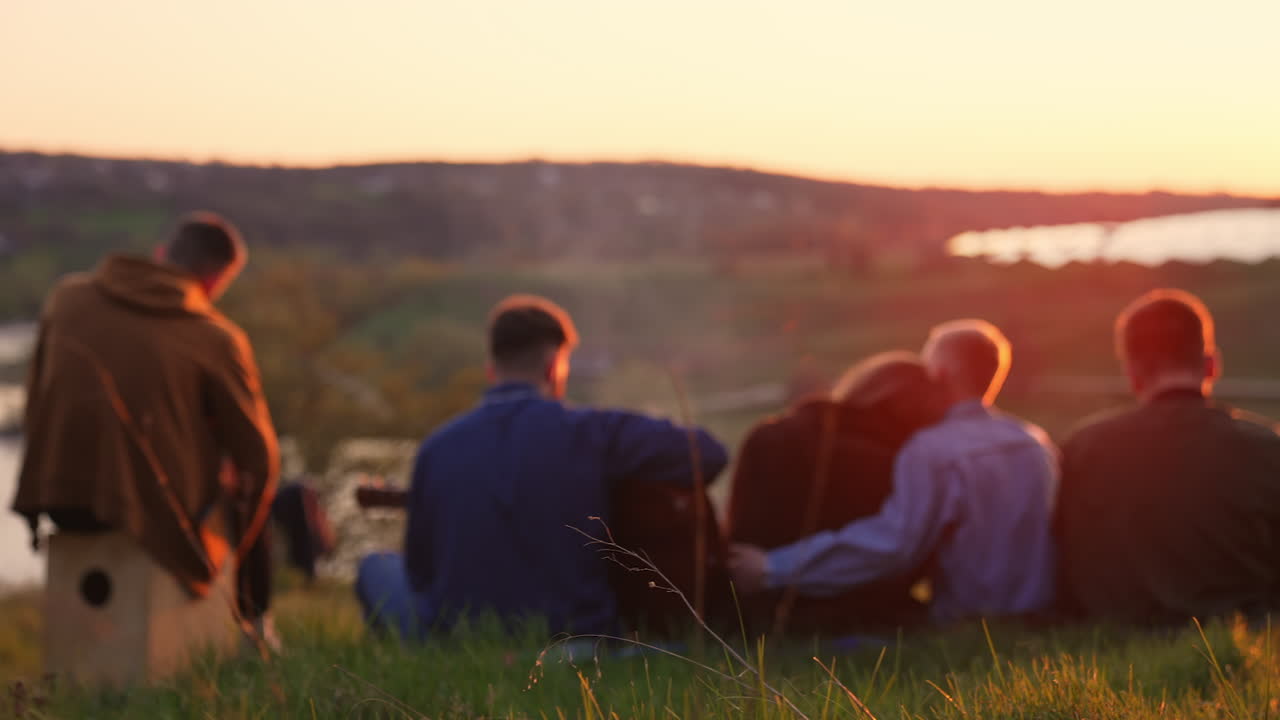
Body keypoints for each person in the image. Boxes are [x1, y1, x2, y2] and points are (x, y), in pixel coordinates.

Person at [355, 294, 729, 640]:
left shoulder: (437, 447)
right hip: (578, 633)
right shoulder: (596, 432)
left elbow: (422, 575)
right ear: (554, 369)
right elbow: (710, 454)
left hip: (459, 636)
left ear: (491, 370)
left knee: (377, 565)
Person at [11, 212, 281, 646]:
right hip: (154, 515)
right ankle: (253, 633)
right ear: (214, 283)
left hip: (58, 499)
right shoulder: (215, 336)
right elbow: (259, 459)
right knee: (261, 489)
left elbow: (38, 397)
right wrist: (239, 542)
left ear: (159, 254)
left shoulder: (66, 298)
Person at [728, 320, 1059, 624]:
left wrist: (773, 568)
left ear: (940, 375)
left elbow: (892, 544)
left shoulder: (932, 450)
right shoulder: (1036, 441)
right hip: (1041, 614)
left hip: (967, 619)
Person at [1056, 289, 1280, 625]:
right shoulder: (1267, 448)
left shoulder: (1082, 449)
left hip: (1114, 632)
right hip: (1243, 628)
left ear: (1132, 373)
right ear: (1211, 365)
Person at [727, 352, 946, 635]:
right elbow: (893, 561)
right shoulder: (895, 462)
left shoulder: (769, 434)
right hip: (855, 616)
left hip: (755, 613)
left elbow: (739, 530)